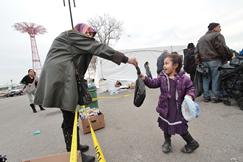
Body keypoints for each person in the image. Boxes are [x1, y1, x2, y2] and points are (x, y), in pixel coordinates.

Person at [34, 23, 138, 162]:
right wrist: (126, 59)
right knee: (69, 116)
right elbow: (98, 47)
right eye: (87, 33)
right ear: (79, 31)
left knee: (71, 115)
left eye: (92, 34)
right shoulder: (72, 35)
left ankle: (74, 147)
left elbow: (78, 62)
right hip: (61, 78)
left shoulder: (70, 41)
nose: (89, 36)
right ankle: (74, 154)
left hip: (61, 76)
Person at [140, 52, 199, 154]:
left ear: (175, 65)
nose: (164, 66)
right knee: (165, 125)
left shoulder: (184, 78)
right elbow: (153, 83)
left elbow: (191, 88)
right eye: (164, 63)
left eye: (167, 63)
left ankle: (192, 143)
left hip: (178, 110)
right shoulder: (162, 77)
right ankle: (167, 142)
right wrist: (145, 78)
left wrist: (190, 95)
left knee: (181, 127)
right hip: (166, 108)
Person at [196, 22, 233, 103]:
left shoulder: (201, 38)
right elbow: (222, 47)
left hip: (204, 62)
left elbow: (196, 52)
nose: (220, 29)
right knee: (215, 78)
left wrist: (199, 62)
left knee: (206, 78)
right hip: (214, 60)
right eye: (219, 27)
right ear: (214, 28)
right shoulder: (217, 35)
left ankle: (206, 96)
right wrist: (227, 57)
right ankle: (215, 97)